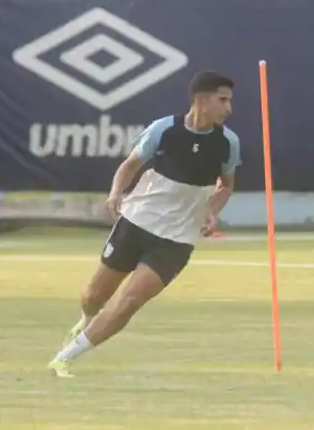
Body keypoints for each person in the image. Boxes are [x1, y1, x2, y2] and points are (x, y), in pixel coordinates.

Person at [47, 70, 242, 378]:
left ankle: (65, 357)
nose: (229, 108)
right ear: (201, 100)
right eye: (223, 100)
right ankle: (86, 320)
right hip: (137, 222)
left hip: (178, 238)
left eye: (230, 101)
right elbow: (129, 166)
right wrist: (115, 193)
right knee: (94, 296)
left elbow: (226, 186)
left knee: (130, 300)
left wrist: (212, 210)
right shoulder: (163, 130)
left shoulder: (228, 143)